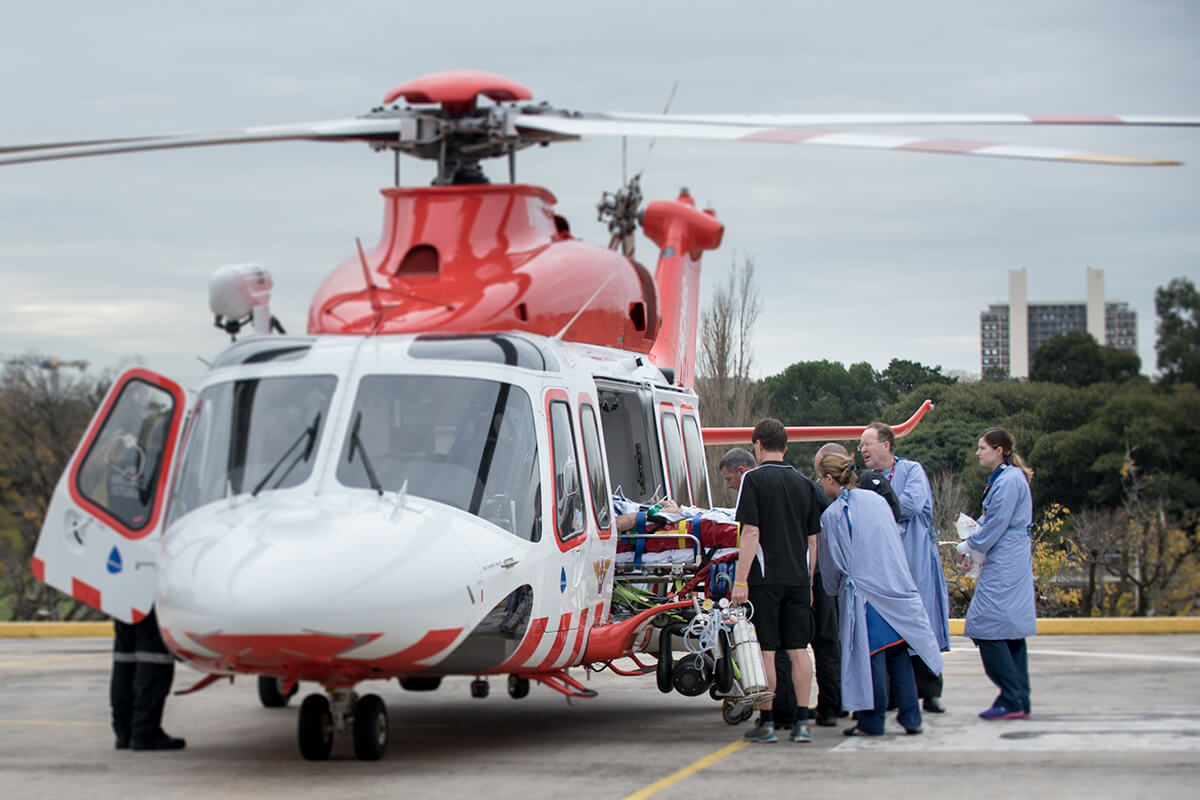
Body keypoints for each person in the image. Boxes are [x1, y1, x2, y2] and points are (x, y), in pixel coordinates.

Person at [815, 452, 943, 737]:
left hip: (865, 595)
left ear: (828, 478)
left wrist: (833, 590)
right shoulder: (877, 502)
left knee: (869, 657)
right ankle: (911, 717)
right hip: (894, 589)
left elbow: (831, 564)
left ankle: (872, 720)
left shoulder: (834, 515)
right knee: (898, 655)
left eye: (820, 478)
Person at [730, 418, 824, 744]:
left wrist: (740, 581)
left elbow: (751, 532)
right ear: (785, 446)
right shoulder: (805, 483)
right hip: (798, 579)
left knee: (766, 650)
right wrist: (809, 583)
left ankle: (767, 721)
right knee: (799, 650)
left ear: (757, 445)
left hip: (765, 580)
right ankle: (801, 721)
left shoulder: (753, 480)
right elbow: (813, 541)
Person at [804, 442, 902, 725]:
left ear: (829, 474)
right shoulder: (873, 493)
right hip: (879, 580)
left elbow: (827, 548)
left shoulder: (835, 509)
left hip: (846, 582)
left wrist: (824, 584)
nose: (819, 482)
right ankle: (882, 710)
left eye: (821, 476)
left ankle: (860, 714)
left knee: (850, 647)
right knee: (884, 651)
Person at [858, 422, 950, 713]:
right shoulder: (865, 478)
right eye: (860, 446)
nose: (862, 450)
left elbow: (911, 503)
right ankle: (894, 696)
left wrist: (877, 501)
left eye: (867, 444)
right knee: (889, 631)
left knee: (921, 626)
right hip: (884, 567)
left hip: (915, 562)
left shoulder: (911, 471)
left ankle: (930, 691)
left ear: (886, 445)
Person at [960, 427, 1036, 720]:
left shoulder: (1007, 482)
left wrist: (970, 545)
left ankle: (1011, 697)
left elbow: (995, 524)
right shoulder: (1008, 478)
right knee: (1011, 633)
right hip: (1010, 557)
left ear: (999, 450)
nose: (978, 453)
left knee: (986, 626)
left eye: (982, 448)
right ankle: (1019, 699)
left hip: (1005, 559)